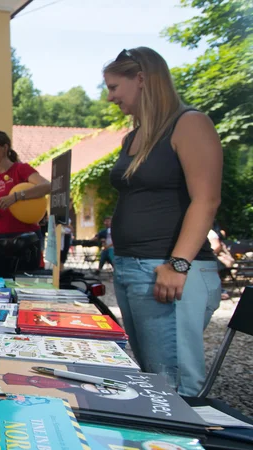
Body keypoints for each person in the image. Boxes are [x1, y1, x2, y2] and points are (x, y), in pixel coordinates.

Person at [104, 47, 222, 396]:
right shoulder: (134, 135)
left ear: (141, 79)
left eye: (114, 87)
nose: (110, 97)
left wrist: (178, 264)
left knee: (172, 387)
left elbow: (207, 199)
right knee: (152, 381)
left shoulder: (189, 123)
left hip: (166, 270)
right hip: (132, 268)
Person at [0, 131, 51, 278]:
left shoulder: (21, 169)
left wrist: (16, 197)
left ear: (5, 147)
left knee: (26, 284)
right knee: (2, 284)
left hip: (25, 236)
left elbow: (47, 186)